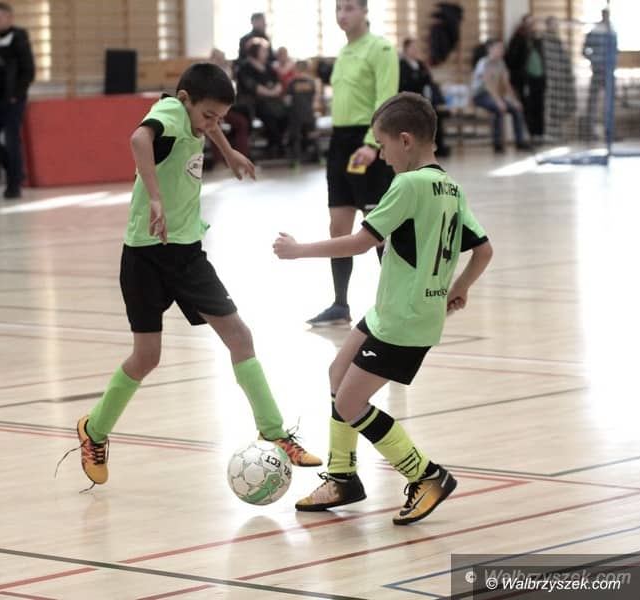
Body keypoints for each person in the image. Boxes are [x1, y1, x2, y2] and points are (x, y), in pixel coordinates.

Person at [60, 63, 321, 488]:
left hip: (186, 254)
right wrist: (156, 199)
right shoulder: (168, 113)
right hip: (146, 256)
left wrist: (228, 150)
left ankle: (273, 432)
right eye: (208, 115)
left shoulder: (194, 118)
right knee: (147, 357)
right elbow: (138, 139)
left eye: (220, 117)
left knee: (239, 336)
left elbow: (205, 126)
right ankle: (94, 430)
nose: (212, 124)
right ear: (184, 100)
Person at [273, 92, 493, 524]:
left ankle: (425, 475)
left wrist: (299, 251)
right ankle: (342, 477)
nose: (383, 156)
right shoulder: (450, 187)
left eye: (383, 145)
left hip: (403, 320)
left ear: (405, 140)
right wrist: (459, 288)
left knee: (350, 403)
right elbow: (483, 250)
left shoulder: (408, 185)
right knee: (338, 373)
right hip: (394, 310)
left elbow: (361, 242)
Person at [309, 0, 398, 327]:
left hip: (367, 140)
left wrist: (373, 143)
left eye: (349, 8)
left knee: (377, 227)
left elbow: (386, 99)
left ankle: (394, 305)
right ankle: (340, 304)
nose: (342, 15)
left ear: (365, 11)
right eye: (338, 9)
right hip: (340, 143)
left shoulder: (381, 49)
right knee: (338, 227)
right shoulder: (343, 53)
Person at [0, 2, 35, 199]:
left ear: (9, 17)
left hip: (11, 101)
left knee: (12, 141)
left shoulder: (19, 38)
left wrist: (15, 95)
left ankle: (14, 184)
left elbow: (28, 70)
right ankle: (15, 171)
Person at [471, 40, 531, 153]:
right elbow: (488, 85)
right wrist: (498, 101)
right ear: (490, 49)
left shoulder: (501, 63)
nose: (501, 51)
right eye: (498, 48)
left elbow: (506, 84)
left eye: (502, 49)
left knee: (516, 109)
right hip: (481, 95)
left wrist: (514, 100)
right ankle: (497, 144)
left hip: (495, 94)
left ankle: (520, 141)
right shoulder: (483, 63)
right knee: (498, 109)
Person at [236, 38, 288, 158]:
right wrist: (270, 93)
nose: (266, 53)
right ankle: (276, 146)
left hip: (272, 100)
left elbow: (278, 81)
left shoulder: (268, 66)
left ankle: (275, 144)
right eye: (263, 51)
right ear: (255, 52)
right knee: (269, 115)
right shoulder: (245, 67)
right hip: (253, 102)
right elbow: (252, 86)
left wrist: (276, 90)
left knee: (285, 114)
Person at [399, 37, 450, 157]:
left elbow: (429, 82)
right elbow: (403, 86)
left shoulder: (421, 65)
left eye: (416, 47)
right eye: (412, 47)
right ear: (406, 49)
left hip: (423, 101)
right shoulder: (401, 66)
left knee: (435, 115)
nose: (415, 50)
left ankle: (437, 146)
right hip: (408, 102)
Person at [505, 15, 545, 141]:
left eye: (533, 23)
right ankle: (528, 134)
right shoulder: (518, 39)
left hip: (539, 79)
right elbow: (511, 60)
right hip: (524, 80)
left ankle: (539, 133)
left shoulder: (538, 41)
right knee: (527, 107)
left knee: (539, 106)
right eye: (528, 23)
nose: (531, 26)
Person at [581, 9, 616, 141]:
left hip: (609, 72)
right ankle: (589, 131)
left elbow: (615, 50)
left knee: (610, 102)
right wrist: (593, 60)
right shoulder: (595, 31)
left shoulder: (612, 31)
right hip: (597, 70)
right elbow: (584, 50)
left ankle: (609, 132)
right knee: (592, 102)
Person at [541, 17, 576, 141]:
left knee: (561, 106)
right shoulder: (544, 40)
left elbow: (563, 59)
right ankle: (550, 132)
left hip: (561, 80)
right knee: (551, 106)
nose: (555, 27)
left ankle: (557, 131)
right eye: (553, 24)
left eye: (557, 25)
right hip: (551, 80)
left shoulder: (557, 40)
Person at [286, 60, 319, 165]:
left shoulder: (292, 82)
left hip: (296, 114)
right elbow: (315, 98)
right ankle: (319, 157)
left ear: (295, 69)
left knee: (296, 137)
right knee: (313, 135)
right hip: (309, 113)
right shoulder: (311, 82)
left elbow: (288, 100)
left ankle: (296, 160)